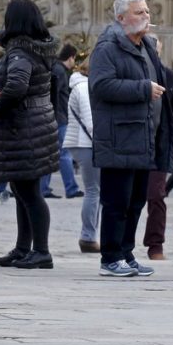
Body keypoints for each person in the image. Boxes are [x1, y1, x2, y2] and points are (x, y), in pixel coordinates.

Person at [89, 0, 173, 278]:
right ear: (121, 18)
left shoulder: (147, 46)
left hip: (145, 137)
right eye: (139, 12)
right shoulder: (107, 47)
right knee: (117, 201)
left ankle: (126, 252)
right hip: (119, 137)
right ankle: (110, 257)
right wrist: (141, 89)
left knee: (137, 200)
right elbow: (101, 86)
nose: (146, 16)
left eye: (147, 11)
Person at [0, 0, 60, 270]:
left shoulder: (20, 52)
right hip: (37, 124)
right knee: (23, 189)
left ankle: (41, 251)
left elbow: (17, 87)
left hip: (24, 128)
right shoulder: (38, 50)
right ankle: (23, 248)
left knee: (29, 192)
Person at [142, 36, 173, 261]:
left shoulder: (169, 77)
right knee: (127, 197)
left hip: (159, 146)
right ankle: (120, 244)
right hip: (135, 144)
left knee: (156, 196)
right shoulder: (134, 73)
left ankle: (155, 245)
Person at [65, 57, 99, 253]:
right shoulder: (84, 87)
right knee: (94, 190)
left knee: (95, 190)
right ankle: (88, 236)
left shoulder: (82, 85)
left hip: (84, 142)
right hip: (86, 143)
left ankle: (90, 234)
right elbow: (91, 121)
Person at [42, 43, 83, 199]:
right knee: (64, 154)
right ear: (71, 57)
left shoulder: (57, 69)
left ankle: (44, 188)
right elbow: (55, 95)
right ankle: (71, 188)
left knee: (50, 154)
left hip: (56, 117)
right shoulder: (60, 71)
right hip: (59, 118)